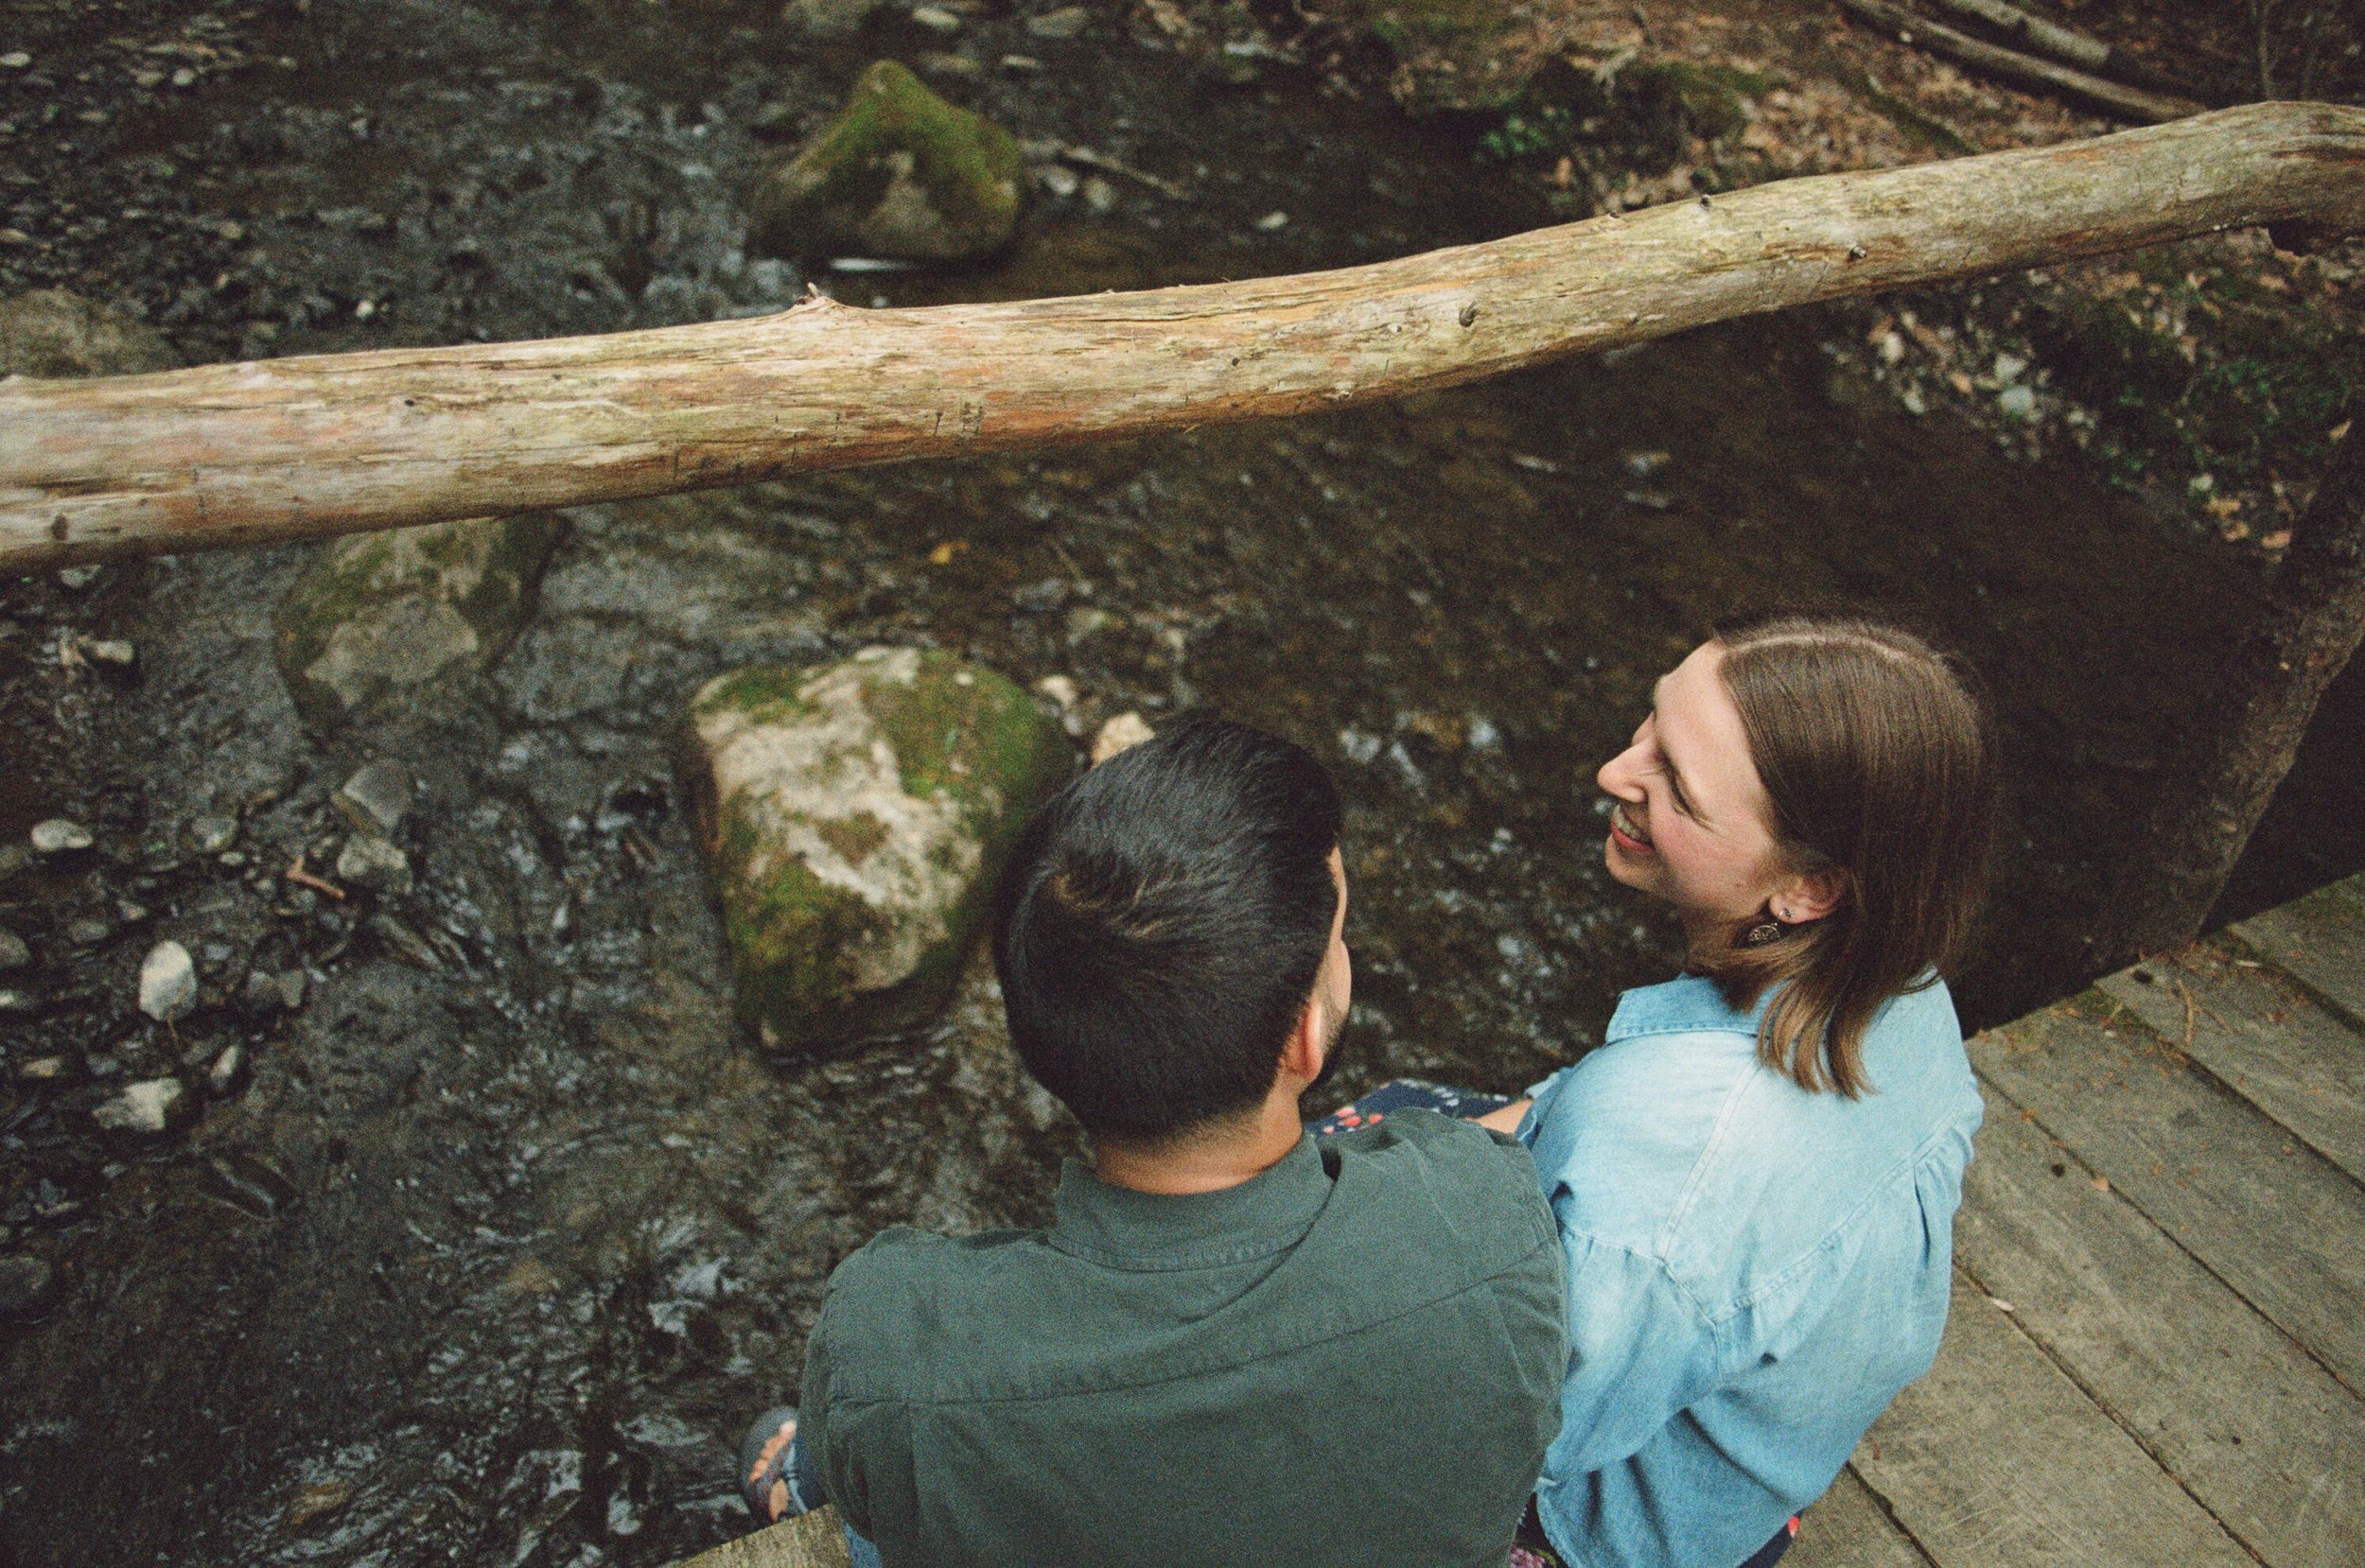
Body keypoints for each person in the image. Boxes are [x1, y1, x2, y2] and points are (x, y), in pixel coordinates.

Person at [735, 718, 1567, 1567]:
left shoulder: (892, 1342)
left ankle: (790, 1486)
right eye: (1338, 939)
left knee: (877, 1499)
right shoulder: (1492, 1225)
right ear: (1301, 1040)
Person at [1320, 613, 1996, 1568]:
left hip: (1596, 1532)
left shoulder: (1657, 1160)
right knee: (1417, 1117)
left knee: (1356, 1150)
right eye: (1648, 723)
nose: (1613, 770)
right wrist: (1523, 1121)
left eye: (1674, 783)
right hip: (1745, 1472)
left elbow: (1505, 1437)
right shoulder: (1904, 982)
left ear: (1806, 888)